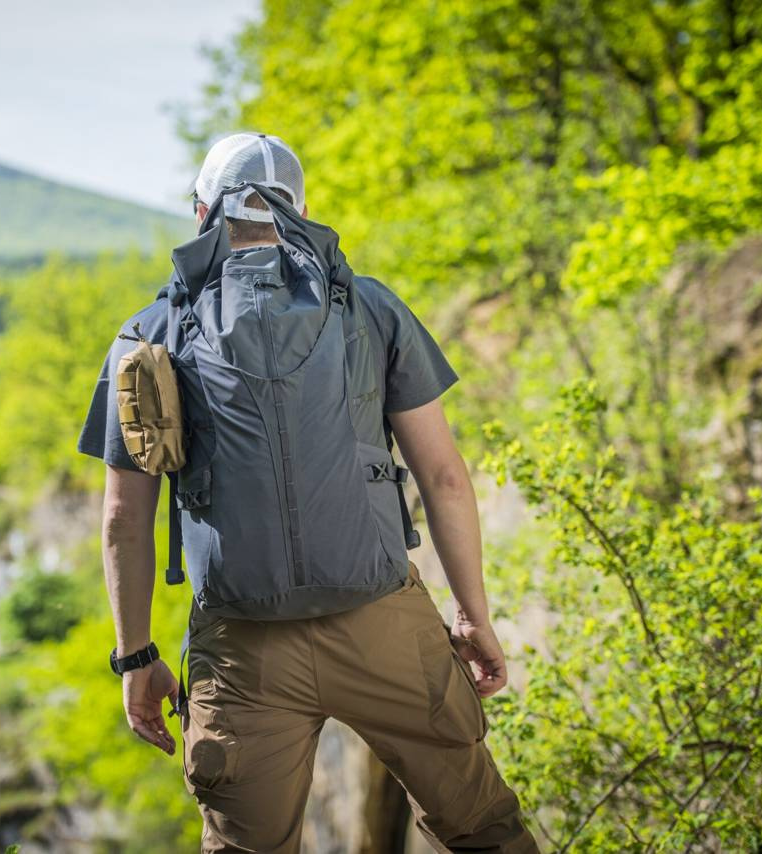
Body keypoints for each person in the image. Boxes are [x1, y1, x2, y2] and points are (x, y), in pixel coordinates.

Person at [77, 132, 538, 853]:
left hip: (243, 652)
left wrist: (136, 658)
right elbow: (445, 477)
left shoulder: (150, 332)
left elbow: (122, 520)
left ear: (202, 212)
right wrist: (472, 615)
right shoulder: (370, 307)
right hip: (384, 624)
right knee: (484, 831)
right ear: (299, 209)